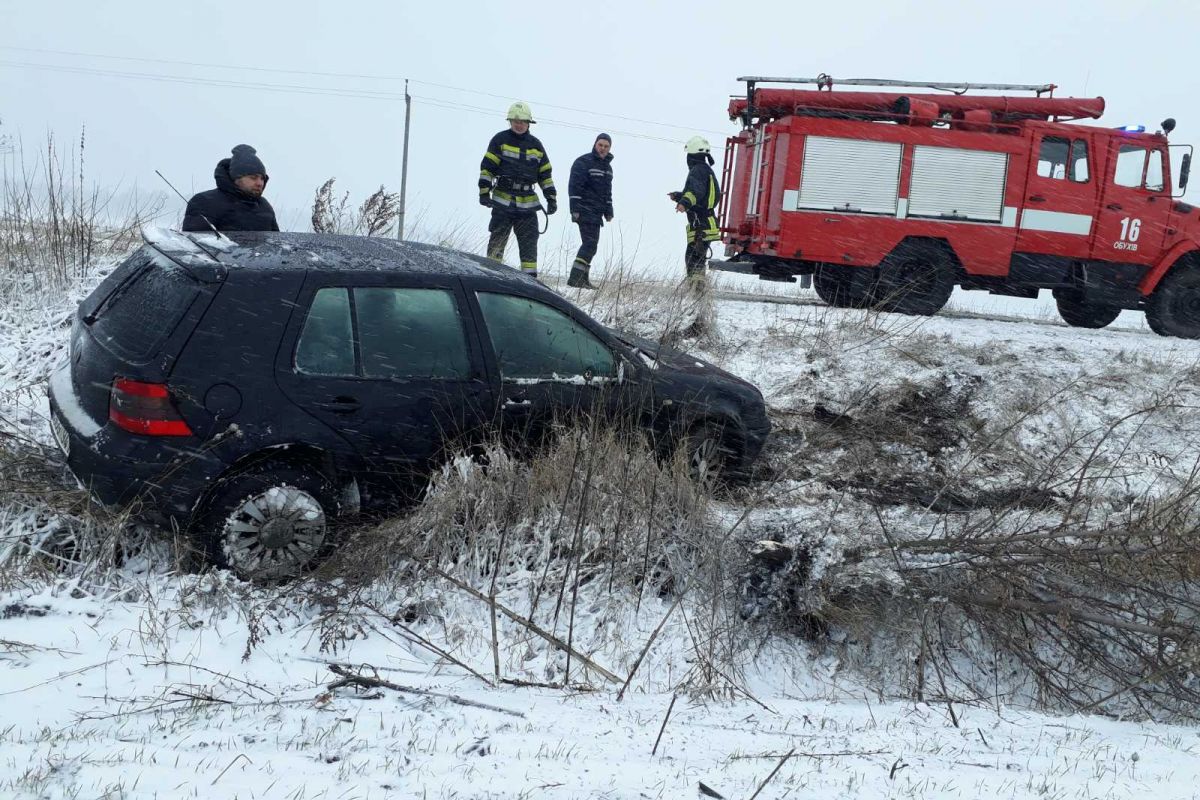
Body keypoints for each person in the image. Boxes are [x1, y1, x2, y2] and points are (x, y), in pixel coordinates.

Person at [478, 102, 557, 278]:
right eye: (515, 120)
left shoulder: (536, 145)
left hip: (528, 206)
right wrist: (484, 192)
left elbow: (545, 175)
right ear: (510, 121)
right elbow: (487, 168)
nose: (518, 124)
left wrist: (551, 198)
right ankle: (490, 279)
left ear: (529, 122)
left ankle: (530, 285)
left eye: (522, 121)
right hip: (502, 202)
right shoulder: (500, 140)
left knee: (529, 249)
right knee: (496, 246)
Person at [182, 144, 280, 233]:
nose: (259, 183)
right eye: (253, 178)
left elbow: (277, 246)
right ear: (236, 178)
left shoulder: (264, 206)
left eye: (262, 178)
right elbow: (196, 246)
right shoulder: (204, 202)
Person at [668, 136, 722, 281]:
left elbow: (695, 192)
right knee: (696, 258)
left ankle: (696, 291)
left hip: (701, 225)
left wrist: (684, 203)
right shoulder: (705, 170)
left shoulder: (698, 171)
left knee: (694, 260)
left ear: (691, 156)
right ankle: (697, 289)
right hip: (705, 223)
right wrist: (679, 196)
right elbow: (702, 196)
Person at [566, 133, 614, 290]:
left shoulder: (608, 168)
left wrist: (609, 210)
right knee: (589, 244)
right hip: (584, 209)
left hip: (597, 212)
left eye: (606, 146)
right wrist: (575, 209)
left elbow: (608, 192)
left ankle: (583, 279)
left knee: (592, 245)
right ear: (595, 144)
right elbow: (574, 186)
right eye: (600, 145)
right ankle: (575, 278)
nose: (603, 149)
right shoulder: (583, 162)